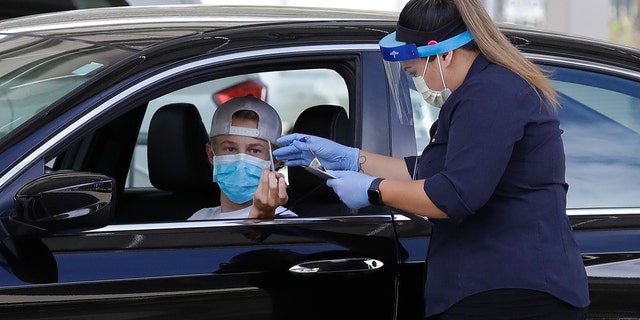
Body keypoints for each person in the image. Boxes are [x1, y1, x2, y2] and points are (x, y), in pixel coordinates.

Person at [273, 0, 590, 319]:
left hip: (513, 290)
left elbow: (454, 195)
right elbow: (426, 170)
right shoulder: (479, 93)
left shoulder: (491, 95)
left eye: (413, 71)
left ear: (444, 54)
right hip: (494, 284)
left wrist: (373, 189)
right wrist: (351, 159)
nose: (415, 81)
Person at [188, 95, 296, 220]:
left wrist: (263, 218)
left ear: (276, 160)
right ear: (211, 154)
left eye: (255, 150)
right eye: (230, 149)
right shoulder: (198, 218)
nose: (241, 161)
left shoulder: (285, 221)